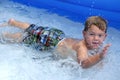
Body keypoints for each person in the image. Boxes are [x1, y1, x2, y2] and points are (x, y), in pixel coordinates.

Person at [0, 16, 111, 68]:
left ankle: (14, 22)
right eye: (92, 34)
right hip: (50, 41)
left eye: (100, 35)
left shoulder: (95, 45)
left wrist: (99, 60)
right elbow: (84, 64)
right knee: (25, 38)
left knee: (34, 29)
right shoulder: (81, 47)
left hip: (57, 35)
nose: (96, 38)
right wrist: (99, 58)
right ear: (84, 34)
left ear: (105, 36)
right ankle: (5, 35)